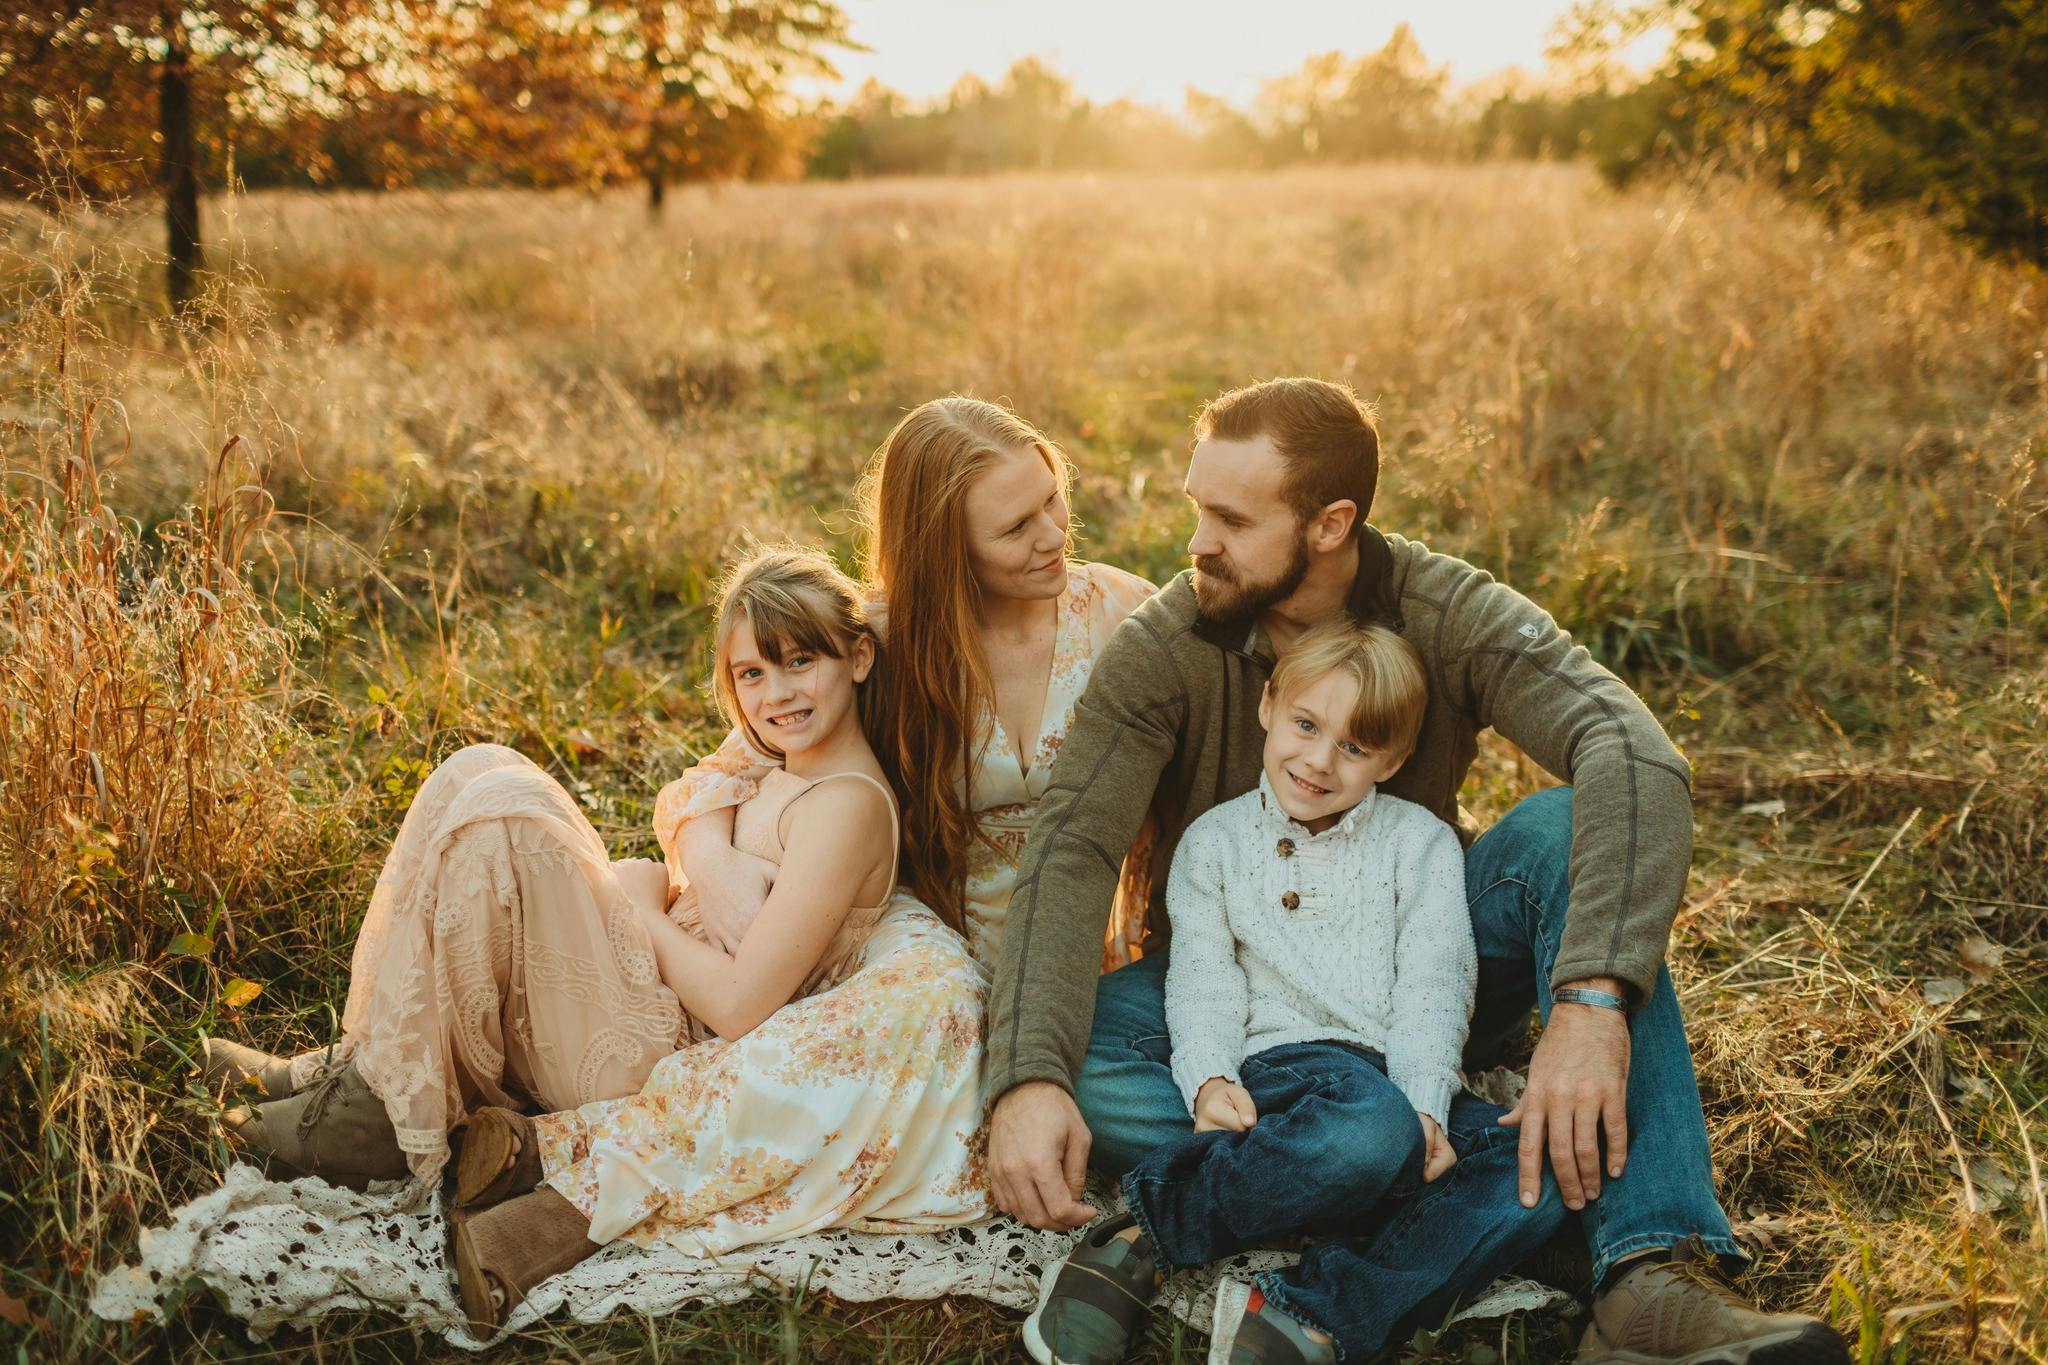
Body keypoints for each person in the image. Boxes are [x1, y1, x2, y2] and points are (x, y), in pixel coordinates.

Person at [991, 378, 1848, 1365]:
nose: (1196, 542)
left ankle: (1648, 1273)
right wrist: (1026, 1082)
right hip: (1238, 999)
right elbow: (1070, 847)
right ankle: (1499, 1169)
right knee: (1085, 1069)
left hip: (1414, 957)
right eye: (1196, 508)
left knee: (1568, 825)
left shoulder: (1444, 609)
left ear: (1330, 523)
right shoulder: (1170, 643)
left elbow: (1629, 750)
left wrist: (1589, 1004)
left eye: (1229, 518)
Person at [441, 547, 987, 1331]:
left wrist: (643, 911)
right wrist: (699, 853)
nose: (777, 692)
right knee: (481, 788)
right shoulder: (777, 760)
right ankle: (381, 1087)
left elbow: (737, 1006)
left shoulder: (844, 808)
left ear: (860, 656)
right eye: (751, 675)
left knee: (500, 796)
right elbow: (700, 792)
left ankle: (387, 1112)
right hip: (638, 995)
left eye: (801, 661)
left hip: (654, 1028)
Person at [1023, 621, 1565, 1365]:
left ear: (1395, 757)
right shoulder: (1215, 842)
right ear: (1269, 705)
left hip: (1389, 1084)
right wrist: (1211, 1074)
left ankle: (1311, 1312)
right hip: (1276, 1069)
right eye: (1307, 725)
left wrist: (1427, 1106)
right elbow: (1204, 975)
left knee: (1540, 1169)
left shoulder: (1422, 842)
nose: (1318, 760)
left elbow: (1436, 983)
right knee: (1364, 1133)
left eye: (1353, 745)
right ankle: (1142, 1233)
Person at [658, 394, 1156, 982]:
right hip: (928, 969)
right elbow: (721, 775)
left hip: (1086, 961)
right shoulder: (881, 641)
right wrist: (714, 864)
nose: (1053, 537)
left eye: (1051, 499)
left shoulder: (1121, 614)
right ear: (947, 549)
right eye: (1016, 527)